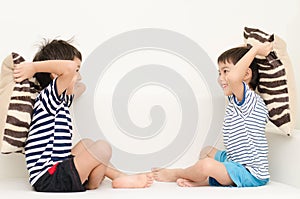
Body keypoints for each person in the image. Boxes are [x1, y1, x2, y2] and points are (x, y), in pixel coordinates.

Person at [13, 39, 153, 192]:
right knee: (102, 147)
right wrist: (34, 67)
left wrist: (73, 81)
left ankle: (118, 176)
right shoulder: (48, 97)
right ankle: (94, 182)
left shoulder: (61, 100)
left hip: (56, 169)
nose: (78, 75)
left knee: (86, 143)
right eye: (77, 70)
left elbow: (82, 87)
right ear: (56, 74)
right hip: (49, 177)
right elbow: (69, 67)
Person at [152, 42, 273, 187]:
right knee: (207, 151)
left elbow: (234, 78)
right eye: (219, 73)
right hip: (234, 161)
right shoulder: (236, 99)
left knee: (206, 165)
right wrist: (244, 51)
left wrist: (256, 50)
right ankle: (201, 179)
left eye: (225, 71)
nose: (221, 78)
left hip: (250, 173)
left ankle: (178, 173)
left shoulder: (250, 99)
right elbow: (234, 76)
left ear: (246, 74)